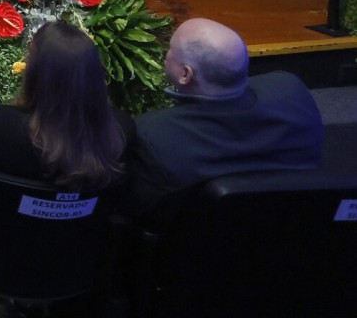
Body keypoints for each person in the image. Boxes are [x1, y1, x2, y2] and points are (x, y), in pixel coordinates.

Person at [125, 18, 323, 222]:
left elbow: (140, 210)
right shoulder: (292, 92)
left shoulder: (152, 135)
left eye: (170, 50)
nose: (166, 55)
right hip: (292, 226)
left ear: (185, 74)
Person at [0, 22, 132, 209]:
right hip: (83, 230)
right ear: (95, 76)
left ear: (35, 73)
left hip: (1, 226)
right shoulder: (121, 131)